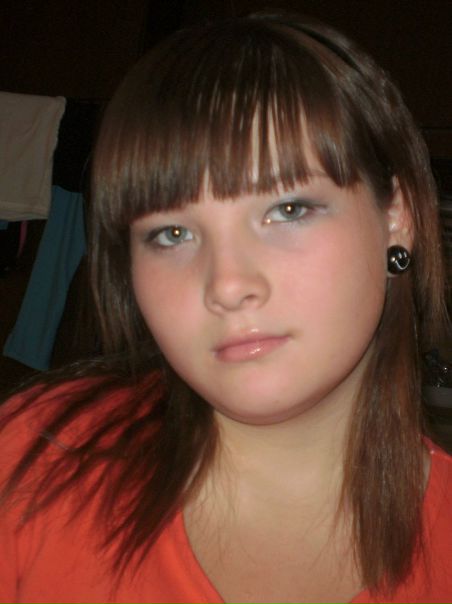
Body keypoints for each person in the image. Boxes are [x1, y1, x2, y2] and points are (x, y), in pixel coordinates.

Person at [0, 11, 451, 604]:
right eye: (172, 234)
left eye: (287, 210)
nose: (228, 284)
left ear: (398, 217)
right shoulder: (31, 462)